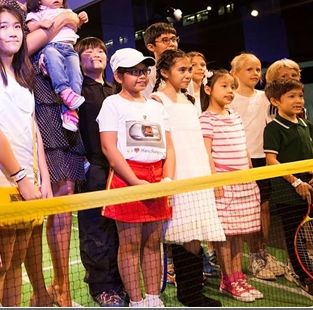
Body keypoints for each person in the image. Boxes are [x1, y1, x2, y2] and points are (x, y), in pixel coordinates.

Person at [0, 0, 87, 307]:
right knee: (34, 206)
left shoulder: (43, 1)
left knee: (63, 195)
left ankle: (59, 287)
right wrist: (58, 23)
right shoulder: (3, 3)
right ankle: (43, 290)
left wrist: (62, 20)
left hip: (61, 104)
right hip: (32, 103)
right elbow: (15, 52)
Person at [0, 4, 52, 307]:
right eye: (3, 26)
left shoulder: (20, 74)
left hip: (29, 182)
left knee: (16, 263)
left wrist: (43, 178)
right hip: (2, 182)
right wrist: (21, 179)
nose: (13, 32)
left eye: (17, 26)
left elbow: (34, 129)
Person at [98, 48, 174, 307]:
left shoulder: (156, 107)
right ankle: (137, 301)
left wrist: (167, 180)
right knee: (130, 243)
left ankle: (153, 298)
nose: (141, 76)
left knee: (153, 242)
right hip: (127, 177)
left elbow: (170, 147)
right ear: (118, 77)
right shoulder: (112, 104)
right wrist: (134, 181)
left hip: (158, 177)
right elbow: (109, 148)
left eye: (144, 71)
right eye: (134, 72)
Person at [151, 49, 225, 307]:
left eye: (189, 69)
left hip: (198, 171)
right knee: (182, 233)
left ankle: (193, 290)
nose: (187, 74)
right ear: (164, 72)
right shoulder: (157, 100)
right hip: (177, 173)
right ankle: (189, 293)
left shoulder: (190, 100)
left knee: (196, 232)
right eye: (181, 70)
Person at [199, 69, 263, 303]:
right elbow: (207, 153)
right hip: (224, 185)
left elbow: (244, 148)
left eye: (232, 87)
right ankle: (227, 280)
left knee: (239, 233)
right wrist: (215, 181)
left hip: (244, 182)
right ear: (208, 89)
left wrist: (250, 172)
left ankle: (238, 276)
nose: (230, 91)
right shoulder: (206, 119)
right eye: (224, 86)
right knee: (225, 235)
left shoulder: (235, 115)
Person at [264, 78, 313, 303]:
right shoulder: (273, 128)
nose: (298, 100)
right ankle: (304, 276)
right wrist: (296, 183)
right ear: (275, 101)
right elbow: (271, 160)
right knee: (294, 238)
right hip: (288, 193)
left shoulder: (307, 125)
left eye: (300, 95)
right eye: (291, 96)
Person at [74, 37, 126, 307]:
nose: (95, 54)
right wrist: (83, 162)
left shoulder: (116, 90)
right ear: (78, 60)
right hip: (93, 168)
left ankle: (119, 281)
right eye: (88, 51)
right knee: (95, 229)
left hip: (121, 169)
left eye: (100, 50)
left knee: (119, 228)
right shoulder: (77, 91)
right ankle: (101, 286)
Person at [229, 53, 285, 280]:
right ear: (235, 73)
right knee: (247, 211)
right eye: (249, 69)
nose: (255, 73)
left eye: (258, 69)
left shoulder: (265, 98)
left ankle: (263, 252)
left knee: (264, 208)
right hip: (240, 162)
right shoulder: (229, 98)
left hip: (263, 160)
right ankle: (253, 257)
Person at [26, 0, 84, 132]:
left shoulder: (66, 11)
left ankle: (70, 111)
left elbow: (75, 24)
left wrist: (81, 18)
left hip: (70, 50)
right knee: (54, 62)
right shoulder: (38, 12)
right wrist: (40, 23)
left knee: (76, 75)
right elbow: (30, 27)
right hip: (52, 47)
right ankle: (64, 91)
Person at [142, 22, 179, 100]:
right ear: (151, 47)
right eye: (165, 40)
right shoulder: (147, 74)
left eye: (173, 39)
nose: (172, 44)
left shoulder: (186, 68)